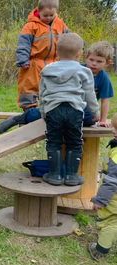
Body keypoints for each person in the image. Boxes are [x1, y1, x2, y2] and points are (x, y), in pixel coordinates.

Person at [0, 0, 68, 134]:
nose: (48, 18)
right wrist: (23, 59)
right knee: (29, 86)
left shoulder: (61, 25)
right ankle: (28, 112)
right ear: (38, 11)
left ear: (56, 12)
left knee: (53, 88)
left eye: (51, 15)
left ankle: (50, 108)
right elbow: (23, 44)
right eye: (45, 15)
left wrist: (71, 56)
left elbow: (69, 40)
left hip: (54, 63)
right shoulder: (31, 26)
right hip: (34, 62)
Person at [39, 33, 99, 186]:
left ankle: (55, 175)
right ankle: (72, 176)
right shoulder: (84, 71)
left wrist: (43, 111)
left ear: (57, 52)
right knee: (74, 142)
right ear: (79, 53)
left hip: (53, 109)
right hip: (74, 110)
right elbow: (89, 94)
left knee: (53, 142)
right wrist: (95, 112)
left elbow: (42, 93)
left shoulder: (47, 70)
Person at [88, 113, 117, 260]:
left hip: (113, 198)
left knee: (109, 223)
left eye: (116, 130)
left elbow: (112, 182)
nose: (113, 131)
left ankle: (100, 250)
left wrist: (100, 200)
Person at [82, 41, 115, 127]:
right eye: (91, 59)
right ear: (86, 58)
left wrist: (102, 120)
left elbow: (105, 101)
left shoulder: (104, 78)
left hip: (87, 110)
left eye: (99, 61)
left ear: (107, 63)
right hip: (69, 105)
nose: (94, 63)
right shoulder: (78, 70)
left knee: (93, 118)